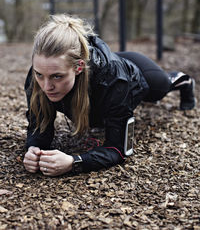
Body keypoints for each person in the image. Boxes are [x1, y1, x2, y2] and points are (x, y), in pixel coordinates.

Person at [23, 14, 196, 176]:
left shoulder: (115, 82)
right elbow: (39, 125)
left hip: (136, 73)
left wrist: (74, 162)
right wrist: (34, 148)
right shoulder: (39, 75)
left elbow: (119, 149)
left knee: (159, 90)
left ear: (79, 67)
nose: (46, 86)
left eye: (57, 76)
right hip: (102, 68)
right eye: (39, 74)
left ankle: (183, 81)